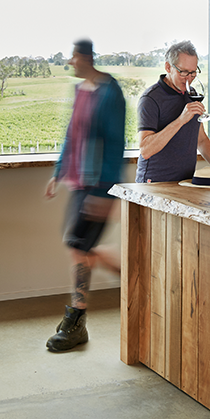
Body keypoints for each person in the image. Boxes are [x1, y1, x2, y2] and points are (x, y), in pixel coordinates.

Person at [43, 40, 126, 352]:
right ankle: (140, 278)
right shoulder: (81, 92)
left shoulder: (110, 91)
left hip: (98, 183)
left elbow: (116, 142)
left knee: (79, 245)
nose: (70, 62)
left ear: (85, 57)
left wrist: (106, 191)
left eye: (73, 57)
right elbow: (71, 134)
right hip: (79, 183)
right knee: (80, 247)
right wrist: (57, 172)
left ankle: (77, 320)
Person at [135, 41, 210, 185]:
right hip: (155, 183)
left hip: (186, 182)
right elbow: (145, 150)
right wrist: (181, 120)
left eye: (193, 72)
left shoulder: (191, 94)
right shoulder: (150, 99)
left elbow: (200, 139)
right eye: (183, 72)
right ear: (168, 67)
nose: (189, 78)